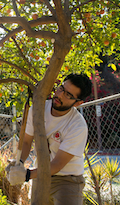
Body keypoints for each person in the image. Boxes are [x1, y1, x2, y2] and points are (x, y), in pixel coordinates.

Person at [7, 73, 92, 205]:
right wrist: (19, 162)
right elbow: (26, 141)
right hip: (40, 177)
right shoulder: (38, 108)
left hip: (67, 180)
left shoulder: (78, 126)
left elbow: (57, 164)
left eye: (68, 95)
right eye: (61, 88)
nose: (60, 95)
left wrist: (27, 175)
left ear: (78, 103)